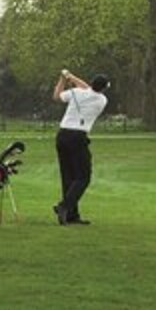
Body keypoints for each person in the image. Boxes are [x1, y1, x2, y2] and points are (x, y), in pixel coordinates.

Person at [52, 68, 109, 225]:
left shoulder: (78, 92)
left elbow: (57, 96)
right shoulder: (102, 100)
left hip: (62, 136)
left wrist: (64, 79)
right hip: (78, 137)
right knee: (83, 177)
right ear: (104, 88)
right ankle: (64, 207)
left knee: (68, 177)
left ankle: (71, 215)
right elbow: (89, 89)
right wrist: (72, 77)